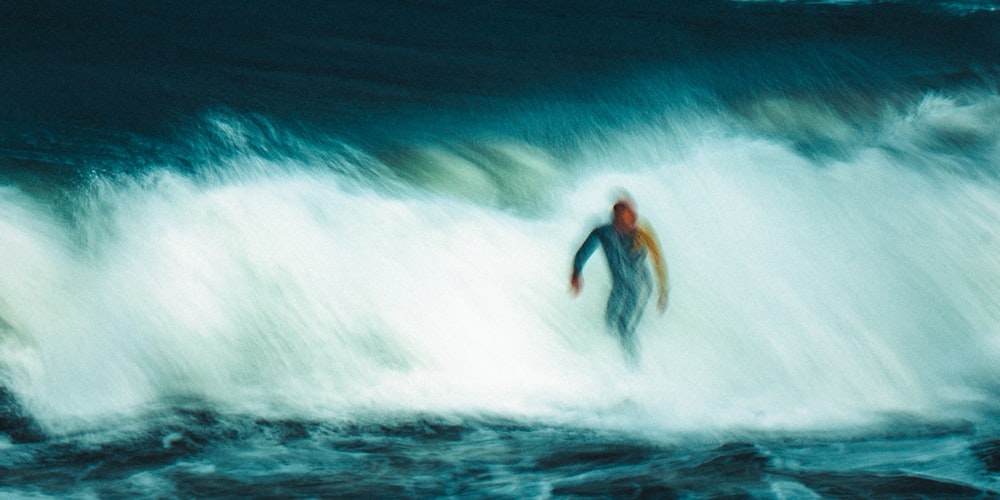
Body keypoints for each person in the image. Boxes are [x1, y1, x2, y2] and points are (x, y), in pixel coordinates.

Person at [570, 197, 668, 361]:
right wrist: (576, 272)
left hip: (640, 287)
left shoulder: (643, 232)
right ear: (616, 222)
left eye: (635, 218)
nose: (634, 224)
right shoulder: (603, 233)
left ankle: (633, 368)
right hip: (619, 286)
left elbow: (658, 260)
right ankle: (607, 364)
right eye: (629, 220)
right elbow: (582, 252)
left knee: (624, 327)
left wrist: (663, 290)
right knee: (608, 323)